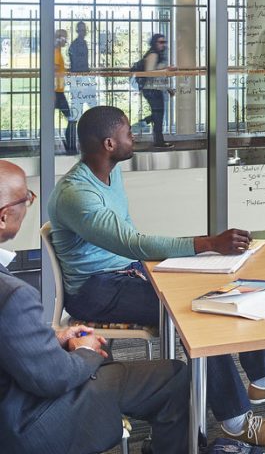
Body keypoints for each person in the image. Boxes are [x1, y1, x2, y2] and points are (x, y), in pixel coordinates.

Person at [47, 106, 265, 447]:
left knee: (226, 291)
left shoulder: (110, 173)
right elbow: (131, 242)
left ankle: (264, 378)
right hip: (97, 289)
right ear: (109, 144)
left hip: (127, 272)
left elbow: (129, 241)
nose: (136, 137)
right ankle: (237, 421)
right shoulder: (78, 195)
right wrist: (207, 243)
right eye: (129, 133)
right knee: (197, 314)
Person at [0, 160, 190, 454]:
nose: (29, 205)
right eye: (25, 199)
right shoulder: (14, 295)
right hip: (27, 422)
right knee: (174, 376)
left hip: (17, 391)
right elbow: (53, 378)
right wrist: (85, 350)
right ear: (3, 217)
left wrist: (54, 337)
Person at [140, 33, 175, 149]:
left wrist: (168, 88)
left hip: (156, 89)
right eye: (160, 42)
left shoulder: (158, 55)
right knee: (159, 116)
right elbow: (149, 73)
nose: (163, 45)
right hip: (151, 90)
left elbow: (159, 77)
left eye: (164, 42)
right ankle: (158, 141)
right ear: (154, 43)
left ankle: (145, 123)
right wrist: (166, 69)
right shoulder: (153, 54)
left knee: (158, 115)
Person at [68, 21, 98, 122]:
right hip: (78, 79)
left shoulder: (83, 43)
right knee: (78, 109)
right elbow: (77, 64)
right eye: (81, 29)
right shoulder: (75, 45)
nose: (83, 32)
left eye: (84, 29)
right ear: (77, 31)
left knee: (91, 106)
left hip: (82, 79)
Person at [54, 28, 77, 154]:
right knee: (71, 118)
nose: (66, 40)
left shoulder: (57, 51)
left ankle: (70, 146)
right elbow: (52, 70)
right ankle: (71, 147)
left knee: (70, 118)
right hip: (55, 92)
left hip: (58, 91)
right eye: (64, 38)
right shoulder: (54, 52)